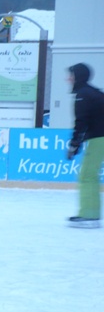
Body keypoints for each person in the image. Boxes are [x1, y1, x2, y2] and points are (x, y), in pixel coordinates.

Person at [66, 63, 104, 228]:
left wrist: (74, 145)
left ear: (78, 77)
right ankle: (91, 214)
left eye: (71, 75)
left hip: (99, 137)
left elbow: (81, 122)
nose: (68, 79)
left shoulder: (83, 94)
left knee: (87, 175)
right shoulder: (92, 92)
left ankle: (89, 215)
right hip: (99, 136)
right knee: (90, 174)